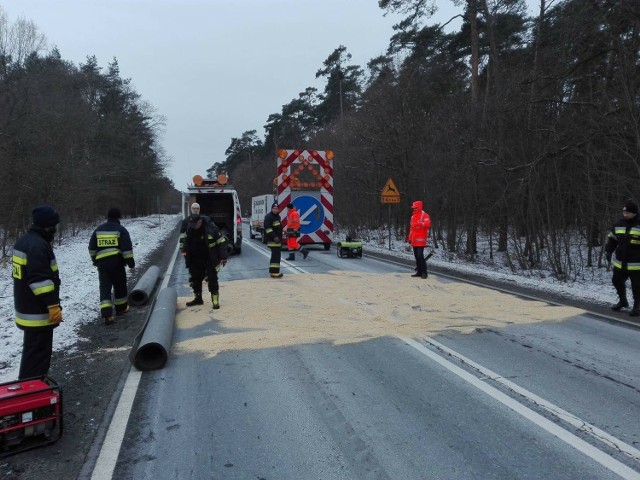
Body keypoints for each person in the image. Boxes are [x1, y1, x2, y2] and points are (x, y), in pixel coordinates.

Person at [13, 205, 62, 379]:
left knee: (32, 355)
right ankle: (35, 395)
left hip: (26, 309)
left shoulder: (24, 241)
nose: (56, 230)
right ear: (48, 226)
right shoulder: (37, 246)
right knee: (38, 359)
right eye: (54, 226)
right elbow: (40, 281)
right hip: (38, 313)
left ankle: (30, 390)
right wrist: (53, 305)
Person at [88, 208, 135, 325]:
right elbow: (126, 249)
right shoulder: (121, 230)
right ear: (119, 217)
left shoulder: (98, 230)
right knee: (119, 286)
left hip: (102, 265)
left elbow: (92, 248)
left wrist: (95, 260)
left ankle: (107, 315)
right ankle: (121, 309)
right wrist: (131, 264)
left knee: (105, 289)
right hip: (117, 263)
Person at [183, 214, 228, 308]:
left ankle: (215, 300)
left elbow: (222, 242)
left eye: (195, 224)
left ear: (200, 222)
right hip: (195, 259)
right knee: (195, 279)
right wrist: (184, 250)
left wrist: (223, 257)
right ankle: (198, 298)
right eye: (192, 224)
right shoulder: (190, 228)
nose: (193, 226)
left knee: (212, 279)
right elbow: (186, 241)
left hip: (209, 258)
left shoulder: (211, 228)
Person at [605, 199, 640, 316]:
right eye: (624, 213)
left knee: (637, 287)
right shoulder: (619, 224)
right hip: (621, 262)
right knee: (616, 281)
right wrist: (608, 251)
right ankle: (623, 301)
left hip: (637, 264)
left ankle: (637, 307)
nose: (625, 215)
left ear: (634, 213)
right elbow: (612, 239)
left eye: (628, 213)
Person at [408, 200, 431, 279]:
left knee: (420, 255)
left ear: (419, 207)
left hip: (421, 239)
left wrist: (419, 223)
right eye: (413, 208)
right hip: (414, 239)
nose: (414, 209)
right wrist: (410, 238)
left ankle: (424, 272)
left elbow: (428, 224)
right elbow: (411, 228)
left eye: (415, 208)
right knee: (416, 256)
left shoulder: (425, 215)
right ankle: (419, 272)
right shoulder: (412, 217)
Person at [264, 202, 284, 278]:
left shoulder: (278, 217)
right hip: (273, 240)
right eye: (274, 209)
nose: (275, 210)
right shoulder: (268, 217)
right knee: (275, 256)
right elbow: (268, 229)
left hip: (278, 240)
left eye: (276, 209)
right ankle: (274, 273)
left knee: (276, 256)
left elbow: (278, 228)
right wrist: (274, 237)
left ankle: (274, 272)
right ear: (271, 209)